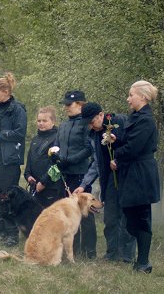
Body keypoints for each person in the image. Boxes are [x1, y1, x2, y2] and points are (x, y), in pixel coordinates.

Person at [74, 102, 136, 263]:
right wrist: (83, 184)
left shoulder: (120, 122)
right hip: (109, 180)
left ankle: (126, 255)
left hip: (128, 176)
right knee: (110, 217)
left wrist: (119, 160)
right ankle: (111, 253)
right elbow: (95, 163)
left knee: (126, 217)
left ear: (101, 115)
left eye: (92, 121)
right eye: (87, 123)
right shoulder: (93, 135)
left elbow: (134, 146)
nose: (90, 125)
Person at [110, 80, 160, 273]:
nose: (128, 98)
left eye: (131, 95)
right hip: (132, 171)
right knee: (132, 216)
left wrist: (118, 155)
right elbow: (129, 143)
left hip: (141, 173)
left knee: (141, 216)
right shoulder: (136, 117)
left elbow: (133, 148)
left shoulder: (146, 120)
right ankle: (141, 261)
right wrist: (116, 139)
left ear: (143, 97)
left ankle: (143, 262)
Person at [0, 72, 27, 247]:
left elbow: (20, 133)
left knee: (7, 197)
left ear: (6, 91)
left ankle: (12, 235)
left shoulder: (17, 109)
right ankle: (0, 232)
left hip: (8, 160)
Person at [54, 90, 96, 258]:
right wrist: (55, 156)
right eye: (65, 105)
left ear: (80, 104)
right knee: (69, 213)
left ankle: (89, 251)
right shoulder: (63, 125)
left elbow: (88, 148)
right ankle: (74, 250)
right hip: (64, 175)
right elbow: (57, 144)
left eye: (69, 105)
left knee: (85, 213)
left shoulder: (86, 124)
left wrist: (70, 160)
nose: (66, 108)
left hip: (80, 175)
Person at [24, 106, 61, 207]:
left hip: (51, 187)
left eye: (44, 121)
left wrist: (44, 182)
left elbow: (57, 165)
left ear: (53, 121)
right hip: (34, 186)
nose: (41, 123)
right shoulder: (35, 139)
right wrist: (28, 175)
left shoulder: (57, 138)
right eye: (39, 120)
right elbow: (30, 160)